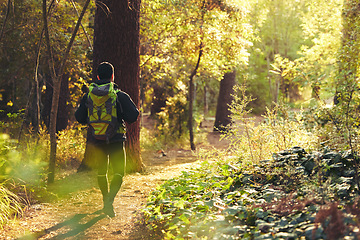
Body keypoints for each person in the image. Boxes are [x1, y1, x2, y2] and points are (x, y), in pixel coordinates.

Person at [75, 62, 139, 217]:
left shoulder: (88, 96)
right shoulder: (119, 95)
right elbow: (134, 115)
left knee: (101, 173)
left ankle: (106, 200)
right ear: (112, 76)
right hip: (116, 139)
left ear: (97, 77)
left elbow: (79, 117)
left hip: (97, 139)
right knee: (118, 173)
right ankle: (110, 201)